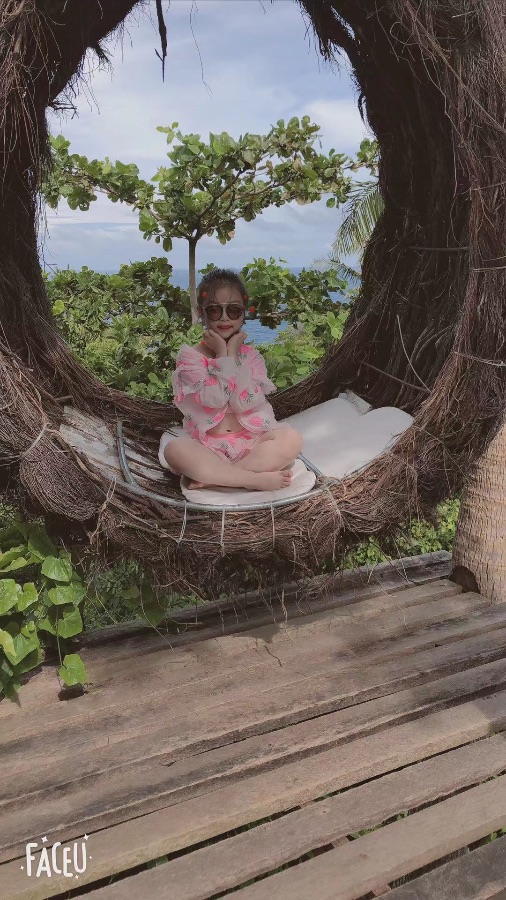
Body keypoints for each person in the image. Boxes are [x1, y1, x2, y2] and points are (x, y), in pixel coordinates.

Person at [161, 268, 304, 491]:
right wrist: (223, 357)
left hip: (252, 444)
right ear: (201, 312)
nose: (224, 317)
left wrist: (234, 355)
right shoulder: (190, 357)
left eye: (234, 310)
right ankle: (252, 480)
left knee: (292, 439)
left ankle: (219, 477)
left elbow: (243, 403)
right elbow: (214, 400)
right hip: (207, 447)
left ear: (244, 312)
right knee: (174, 450)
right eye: (214, 310)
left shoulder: (252, 357)